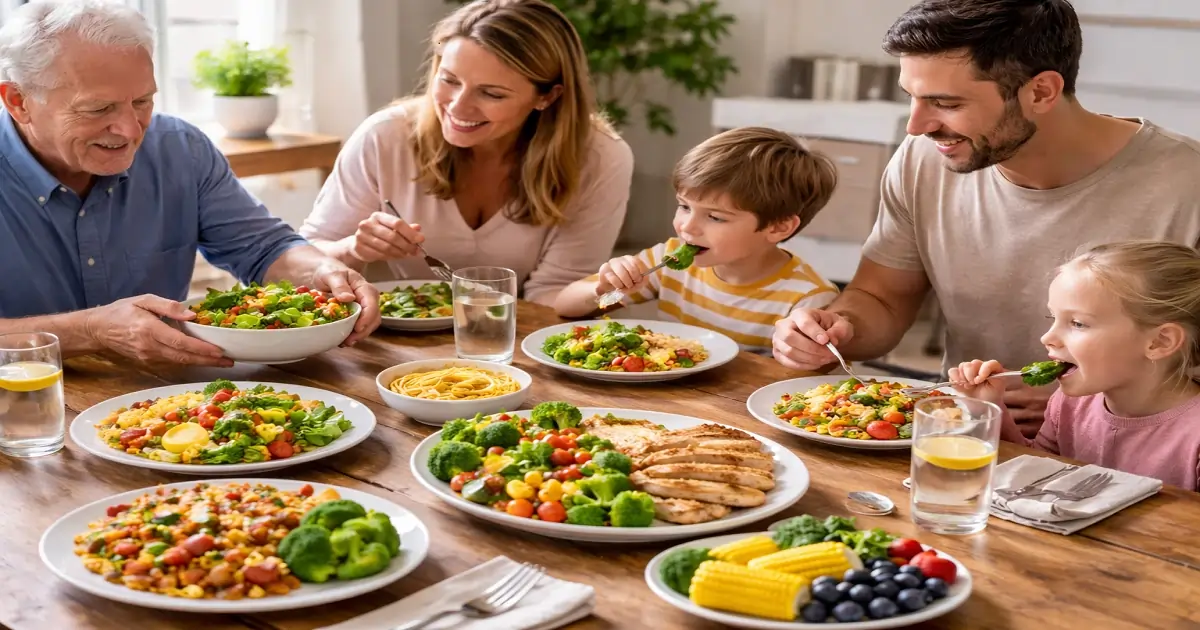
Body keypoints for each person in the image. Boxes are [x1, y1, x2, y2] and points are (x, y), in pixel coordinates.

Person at [770, 0, 1200, 436]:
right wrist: (837, 331)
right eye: (912, 98)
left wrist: (1084, 400)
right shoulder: (923, 160)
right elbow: (881, 298)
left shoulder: (1187, 182)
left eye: (945, 103)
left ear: (1041, 92)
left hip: (1140, 454)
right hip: (965, 435)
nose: (916, 126)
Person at [0, 0, 380, 367]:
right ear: (18, 101)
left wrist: (319, 270)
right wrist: (89, 331)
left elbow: (264, 248)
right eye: (98, 108)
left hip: (166, 400)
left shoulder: (180, 148)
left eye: (142, 102)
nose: (130, 130)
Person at [299, 0, 634, 307]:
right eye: (449, 80)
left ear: (546, 97)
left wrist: (622, 289)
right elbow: (303, 260)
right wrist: (353, 249)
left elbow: (555, 293)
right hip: (398, 338)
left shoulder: (601, 157)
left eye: (492, 93)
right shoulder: (384, 137)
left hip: (520, 337)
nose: (458, 107)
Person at [554, 126, 840, 355]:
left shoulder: (808, 298)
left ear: (778, 227)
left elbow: (813, 376)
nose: (687, 227)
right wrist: (602, 290)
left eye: (715, 217)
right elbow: (564, 306)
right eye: (684, 206)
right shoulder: (668, 260)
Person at [951, 241, 1200, 491]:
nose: (1047, 338)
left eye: (1078, 323)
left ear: (1159, 341)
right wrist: (988, 407)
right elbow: (1038, 475)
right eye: (1053, 318)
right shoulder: (1069, 404)